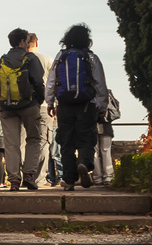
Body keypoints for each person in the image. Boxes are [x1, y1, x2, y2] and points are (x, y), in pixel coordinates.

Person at [45, 23, 109, 190]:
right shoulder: (91, 57)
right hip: (87, 104)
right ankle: (83, 163)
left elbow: (51, 81)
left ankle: (69, 180)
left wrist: (50, 102)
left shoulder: (61, 56)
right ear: (87, 40)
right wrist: (102, 106)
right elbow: (100, 83)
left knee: (66, 141)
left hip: (64, 104)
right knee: (86, 138)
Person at [0, 28, 47, 191]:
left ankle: (14, 180)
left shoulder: (0, 61)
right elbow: (38, 81)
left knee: (12, 144)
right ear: (22, 42)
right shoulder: (30, 58)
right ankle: (29, 175)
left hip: (6, 107)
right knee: (34, 139)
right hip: (29, 105)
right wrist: (38, 100)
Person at [26, 33, 60, 187]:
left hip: (21, 106)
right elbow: (54, 83)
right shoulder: (47, 59)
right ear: (36, 43)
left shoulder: (18, 60)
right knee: (43, 142)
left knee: (22, 143)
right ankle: (39, 179)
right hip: (43, 106)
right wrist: (54, 104)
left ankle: (22, 176)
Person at [95, 92, 122, 185]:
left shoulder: (88, 93)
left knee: (95, 153)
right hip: (106, 126)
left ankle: (97, 178)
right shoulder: (106, 93)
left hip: (92, 126)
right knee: (106, 151)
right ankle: (108, 177)